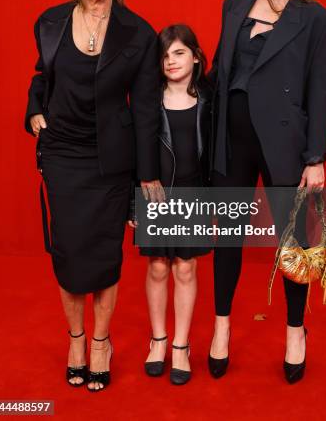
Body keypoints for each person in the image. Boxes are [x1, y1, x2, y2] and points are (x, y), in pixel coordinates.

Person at [25, 0, 163, 391]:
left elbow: (145, 108)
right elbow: (43, 75)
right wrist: (34, 111)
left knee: (105, 257)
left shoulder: (139, 33)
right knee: (68, 255)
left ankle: (101, 342)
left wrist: (148, 176)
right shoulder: (50, 23)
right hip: (63, 154)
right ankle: (77, 339)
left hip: (110, 162)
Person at [207, 0, 326, 383]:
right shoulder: (235, 5)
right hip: (232, 137)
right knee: (228, 236)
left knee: (294, 242)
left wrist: (315, 157)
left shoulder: (317, 19)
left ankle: (295, 332)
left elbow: (319, 89)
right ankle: (221, 327)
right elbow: (220, 72)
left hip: (285, 141)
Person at [130, 25, 212, 385]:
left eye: (179, 53)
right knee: (159, 267)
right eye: (164, 56)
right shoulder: (148, 99)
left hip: (194, 196)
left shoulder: (211, 99)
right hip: (155, 195)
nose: (171, 61)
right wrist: (135, 202)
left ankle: (181, 345)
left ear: (195, 55)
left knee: (186, 268)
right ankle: (158, 339)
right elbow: (134, 152)